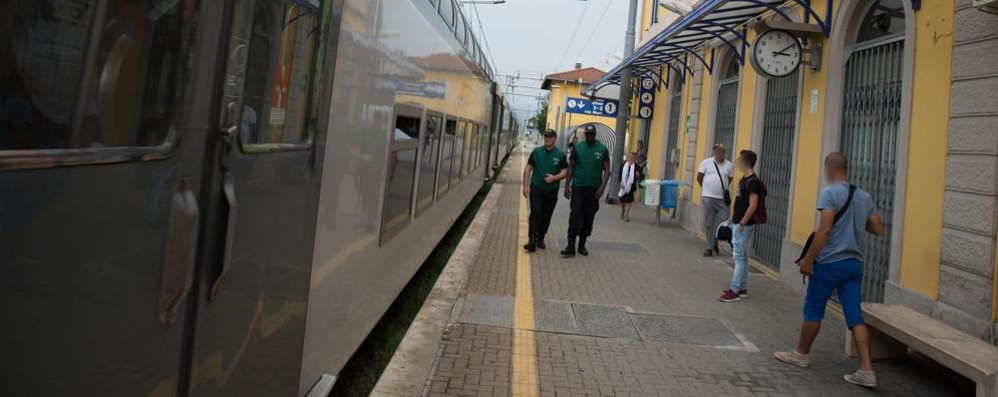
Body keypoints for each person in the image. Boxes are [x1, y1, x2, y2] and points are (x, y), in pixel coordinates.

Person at [774, 152, 885, 388]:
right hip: (853, 264)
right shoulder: (864, 196)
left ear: (829, 169)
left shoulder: (830, 193)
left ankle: (801, 354)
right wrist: (857, 221)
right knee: (854, 316)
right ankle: (866, 369)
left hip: (829, 263)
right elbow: (878, 228)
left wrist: (808, 261)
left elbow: (824, 230)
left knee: (814, 309)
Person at [719, 150, 766, 302]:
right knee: (742, 257)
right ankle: (742, 288)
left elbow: (753, 206)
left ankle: (734, 290)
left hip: (743, 225)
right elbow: (741, 202)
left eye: (740, 159)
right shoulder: (744, 179)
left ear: (746, 162)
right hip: (738, 222)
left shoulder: (753, 182)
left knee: (738, 258)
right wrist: (733, 218)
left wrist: (742, 223)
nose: (737, 161)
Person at [561, 124, 610, 257]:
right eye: (587, 134)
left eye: (591, 134)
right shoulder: (578, 148)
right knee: (575, 214)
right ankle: (570, 244)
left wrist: (602, 187)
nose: (589, 136)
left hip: (594, 189)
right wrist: (567, 186)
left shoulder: (602, 149)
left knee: (589, 216)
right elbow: (571, 167)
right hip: (578, 186)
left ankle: (582, 244)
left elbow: (607, 170)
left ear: (595, 135)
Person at [522, 129, 569, 252]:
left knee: (546, 216)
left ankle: (541, 238)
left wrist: (554, 178)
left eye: (550, 136)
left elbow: (565, 171)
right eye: (546, 136)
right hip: (537, 189)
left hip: (551, 192)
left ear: (554, 138)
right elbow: (528, 169)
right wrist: (525, 186)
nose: (547, 138)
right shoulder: (536, 152)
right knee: (535, 213)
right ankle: (531, 240)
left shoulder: (560, 155)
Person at [697, 144, 734, 257]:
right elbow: (699, 177)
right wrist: (707, 188)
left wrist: (721, 188)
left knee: (722, 222)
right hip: (708, 197)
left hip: (722, 199)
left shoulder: (729, 165)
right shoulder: (706, 162)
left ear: (723, 153)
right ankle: (709, 247)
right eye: (715, 151)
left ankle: (714, 242)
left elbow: (729, 179)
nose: (717, 153)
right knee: (709, 222)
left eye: (719, 151)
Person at [618, 152, 638, 222]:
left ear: (635, 159)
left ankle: (626, 215)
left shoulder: (636, 166)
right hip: (623, 185)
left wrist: (638, 175)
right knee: (622, 200)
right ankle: (623, 210)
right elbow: (620, 173)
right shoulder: (623, 164)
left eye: (632, 157)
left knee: (629, 201)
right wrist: (620, 182)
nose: (630, 158)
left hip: (631, 186)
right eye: (629, 157)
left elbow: (639, 176)